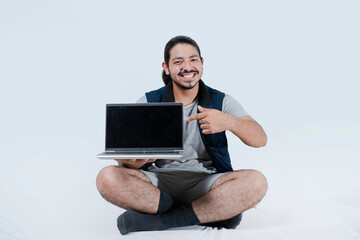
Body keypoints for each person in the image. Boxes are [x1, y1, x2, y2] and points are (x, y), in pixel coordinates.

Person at [96, 35, 268, 235]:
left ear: (202, 63)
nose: (188, 67)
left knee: (256, 182)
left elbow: (260, 139)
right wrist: (134, 162)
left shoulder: (221, 101)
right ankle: (214, 212)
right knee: (106, 177)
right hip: (158, 184)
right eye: (178, 61)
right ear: (166, 67)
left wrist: (228, 122)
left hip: (207, 182)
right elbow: (127, 163)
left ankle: (166, 220)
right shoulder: (149, 101)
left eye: (193, 59)